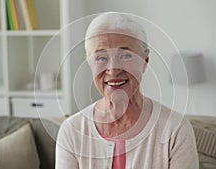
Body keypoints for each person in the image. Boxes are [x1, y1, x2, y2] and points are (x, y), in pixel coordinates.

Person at [56, 12, 199, 169]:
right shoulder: (71, 130)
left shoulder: (175, 129)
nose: (113, 69)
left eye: (125, 55)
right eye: (101, 58)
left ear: (145, 62)